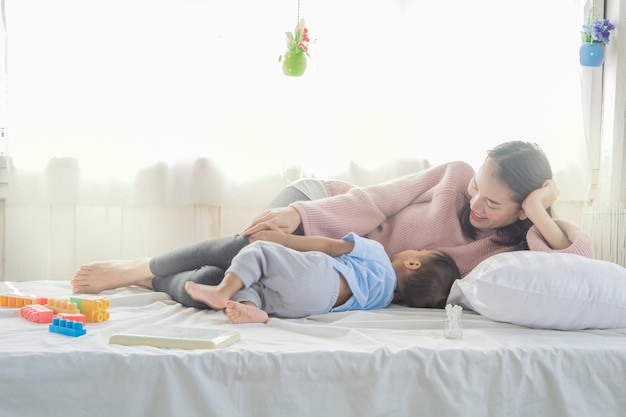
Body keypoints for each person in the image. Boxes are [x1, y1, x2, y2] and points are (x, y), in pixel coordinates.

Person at [71, 141, 593, 309]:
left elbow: (577, 264)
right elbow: (375, 202)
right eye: (479, 188)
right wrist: (297, 217)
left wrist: (542, 210)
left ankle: (151, 279)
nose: (476, 204)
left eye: (496, 204)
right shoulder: (454, 178)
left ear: (524, 210)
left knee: (222, 290)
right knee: (246, 248)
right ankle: (136, 265)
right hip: (324, 210)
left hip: (336, 260)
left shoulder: (507, 251)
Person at [183, 225, 460, 324]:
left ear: (413, 264)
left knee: (259, 253)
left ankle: (222, 291)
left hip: (321, 276)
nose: (413, 249)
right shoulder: (384, 299)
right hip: (313, 306)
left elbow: (329, 246)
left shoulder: (377, 253)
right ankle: (252, 310)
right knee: (257, 289)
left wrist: (283, 240)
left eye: (419, 250)